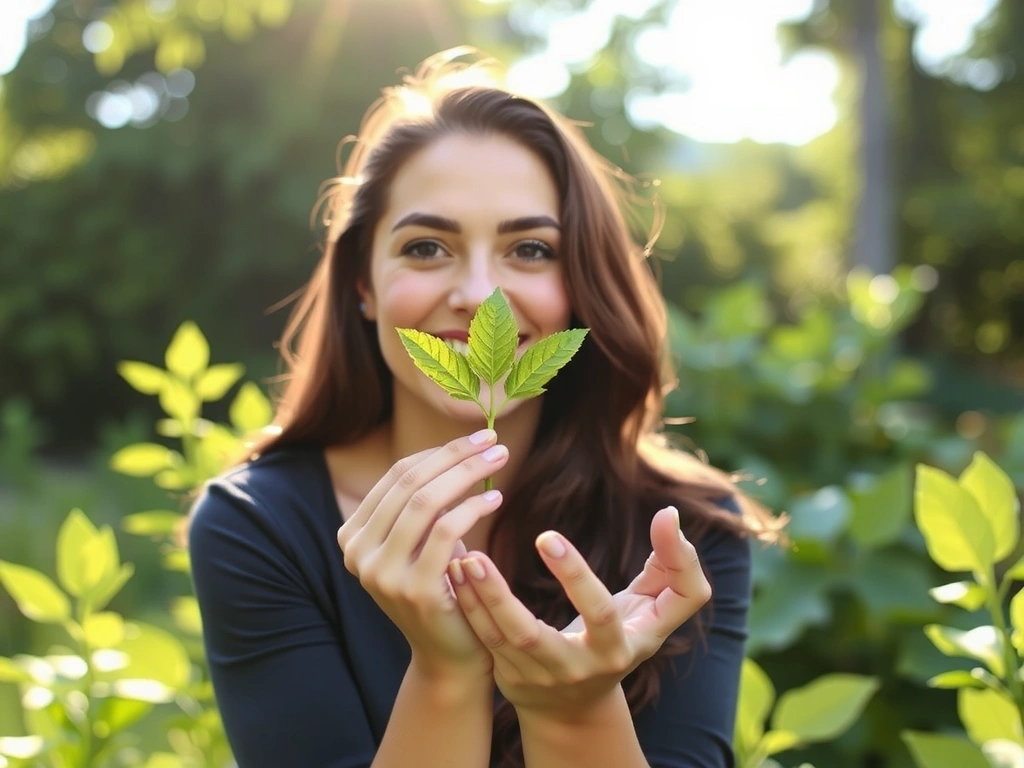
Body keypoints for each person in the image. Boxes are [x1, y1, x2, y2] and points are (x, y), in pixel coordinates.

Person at [187, 47, 779, 768]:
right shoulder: (261, 526)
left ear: (582, 283)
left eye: (529, 249)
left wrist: (575, 708)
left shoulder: (686, 534)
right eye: (427, 246)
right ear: (363, 285)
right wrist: (444, 670)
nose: (479, 296)